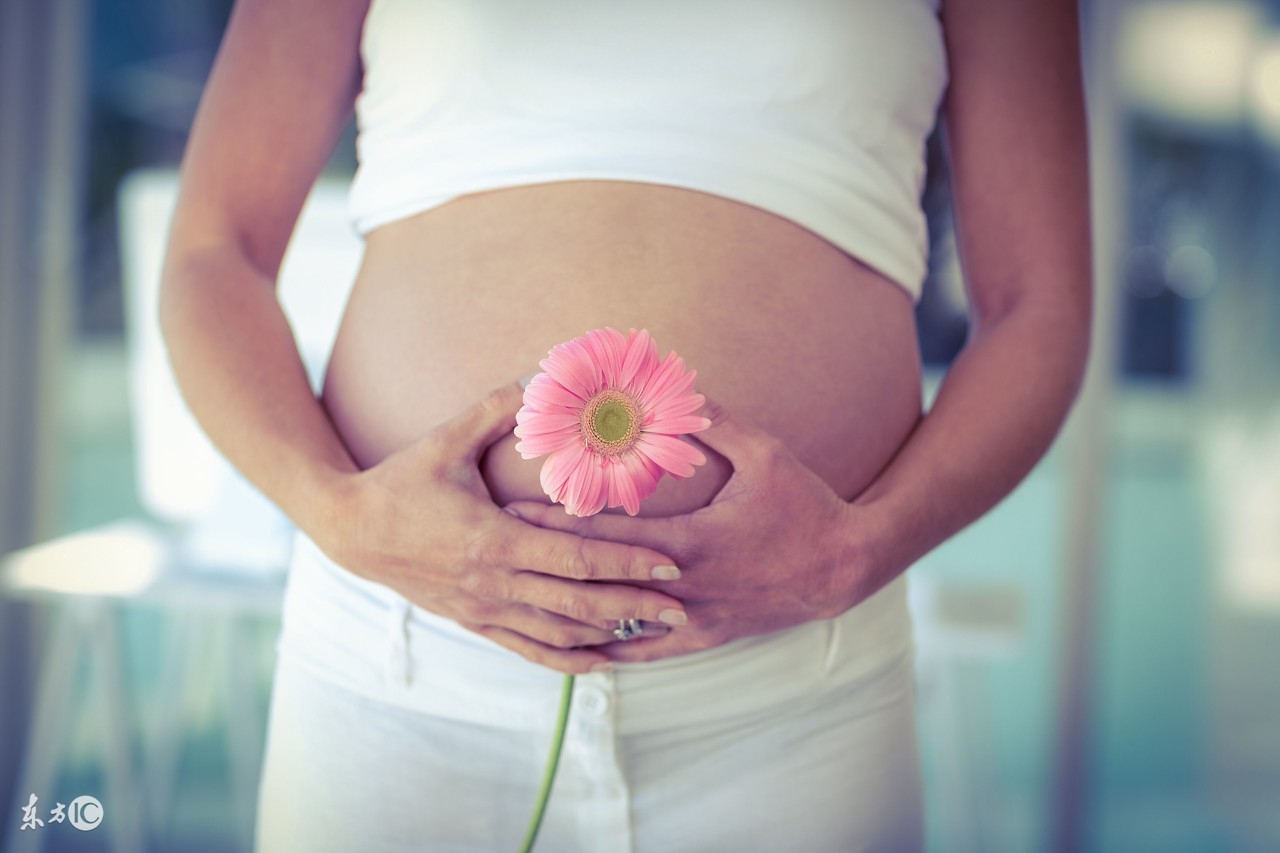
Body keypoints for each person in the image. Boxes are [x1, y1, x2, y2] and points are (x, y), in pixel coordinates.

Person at [158, 0, 1091, 850]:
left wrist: (862, 549)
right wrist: (341, 515)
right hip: (400, 671)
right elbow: (213, 252)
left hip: (792, 706)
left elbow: (1038, 310)